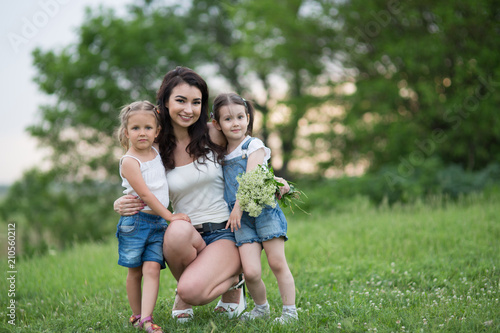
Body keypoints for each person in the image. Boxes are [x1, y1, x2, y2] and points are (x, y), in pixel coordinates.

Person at [114, 67, 255, 322]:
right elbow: (137, 180)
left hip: (224, 231)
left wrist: (272, 178)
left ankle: (234, 282)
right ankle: (199, 282)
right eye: (180, 100)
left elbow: (249, 151)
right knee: (176, 230)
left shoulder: (214, 133)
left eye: (196, 102)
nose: (188, 109)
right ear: (165, 103)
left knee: (191, 291)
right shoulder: (154, 147)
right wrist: (120, 201)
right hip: (186, 233)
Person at [211, 92, 298, 324]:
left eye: (240, 116)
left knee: (277, 263)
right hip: (241, 219)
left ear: (248, 118)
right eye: (228, 119)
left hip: (263, 210)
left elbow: (250, 177)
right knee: (250, 272)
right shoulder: (220, 154)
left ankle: (290, 312)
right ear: (217, 124)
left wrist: (238, 207)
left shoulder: (253, 145)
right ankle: (261, 308)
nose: (235, 123)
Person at [116, 100, 190, 332]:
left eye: (148, 128)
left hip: (157, 223)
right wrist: (171, 216)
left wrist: (159, 111)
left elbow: (166, 123)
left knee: (152, 269)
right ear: (126, 132)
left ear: (157, 131)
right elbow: (146, 195)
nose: (142, 133)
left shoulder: (156, 150)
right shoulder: (130, 161)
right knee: (135, 270)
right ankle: (136, 314)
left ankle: (146, 319)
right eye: (135, 128)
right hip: (136, 222)